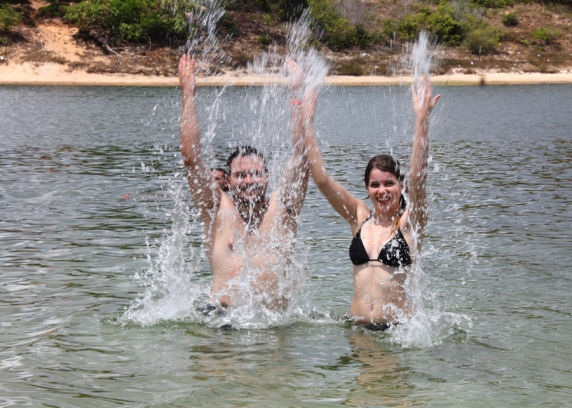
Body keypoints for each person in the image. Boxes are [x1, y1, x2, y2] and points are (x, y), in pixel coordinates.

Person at [301, 78, 440, 329]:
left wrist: (422, 120)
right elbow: (321, 179)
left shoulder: (409, 223)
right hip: (358, 329)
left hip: (396, 332)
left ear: (401, 186)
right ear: (367, 189)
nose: (382, 191)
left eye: (389, 183)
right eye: (375, 185)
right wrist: (307, 123)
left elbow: (418, 178)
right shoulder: (359, 217)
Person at [178, 55, 312, 310]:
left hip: (272, 329)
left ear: (268, 177)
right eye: (241, 175)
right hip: (223, 323)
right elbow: (191, 158)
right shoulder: (217, 210)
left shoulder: (283, 208)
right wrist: (189, 93)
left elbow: (302, 154)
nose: (249, 181)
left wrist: (295, 92)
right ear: (228, 180)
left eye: (256, 174)